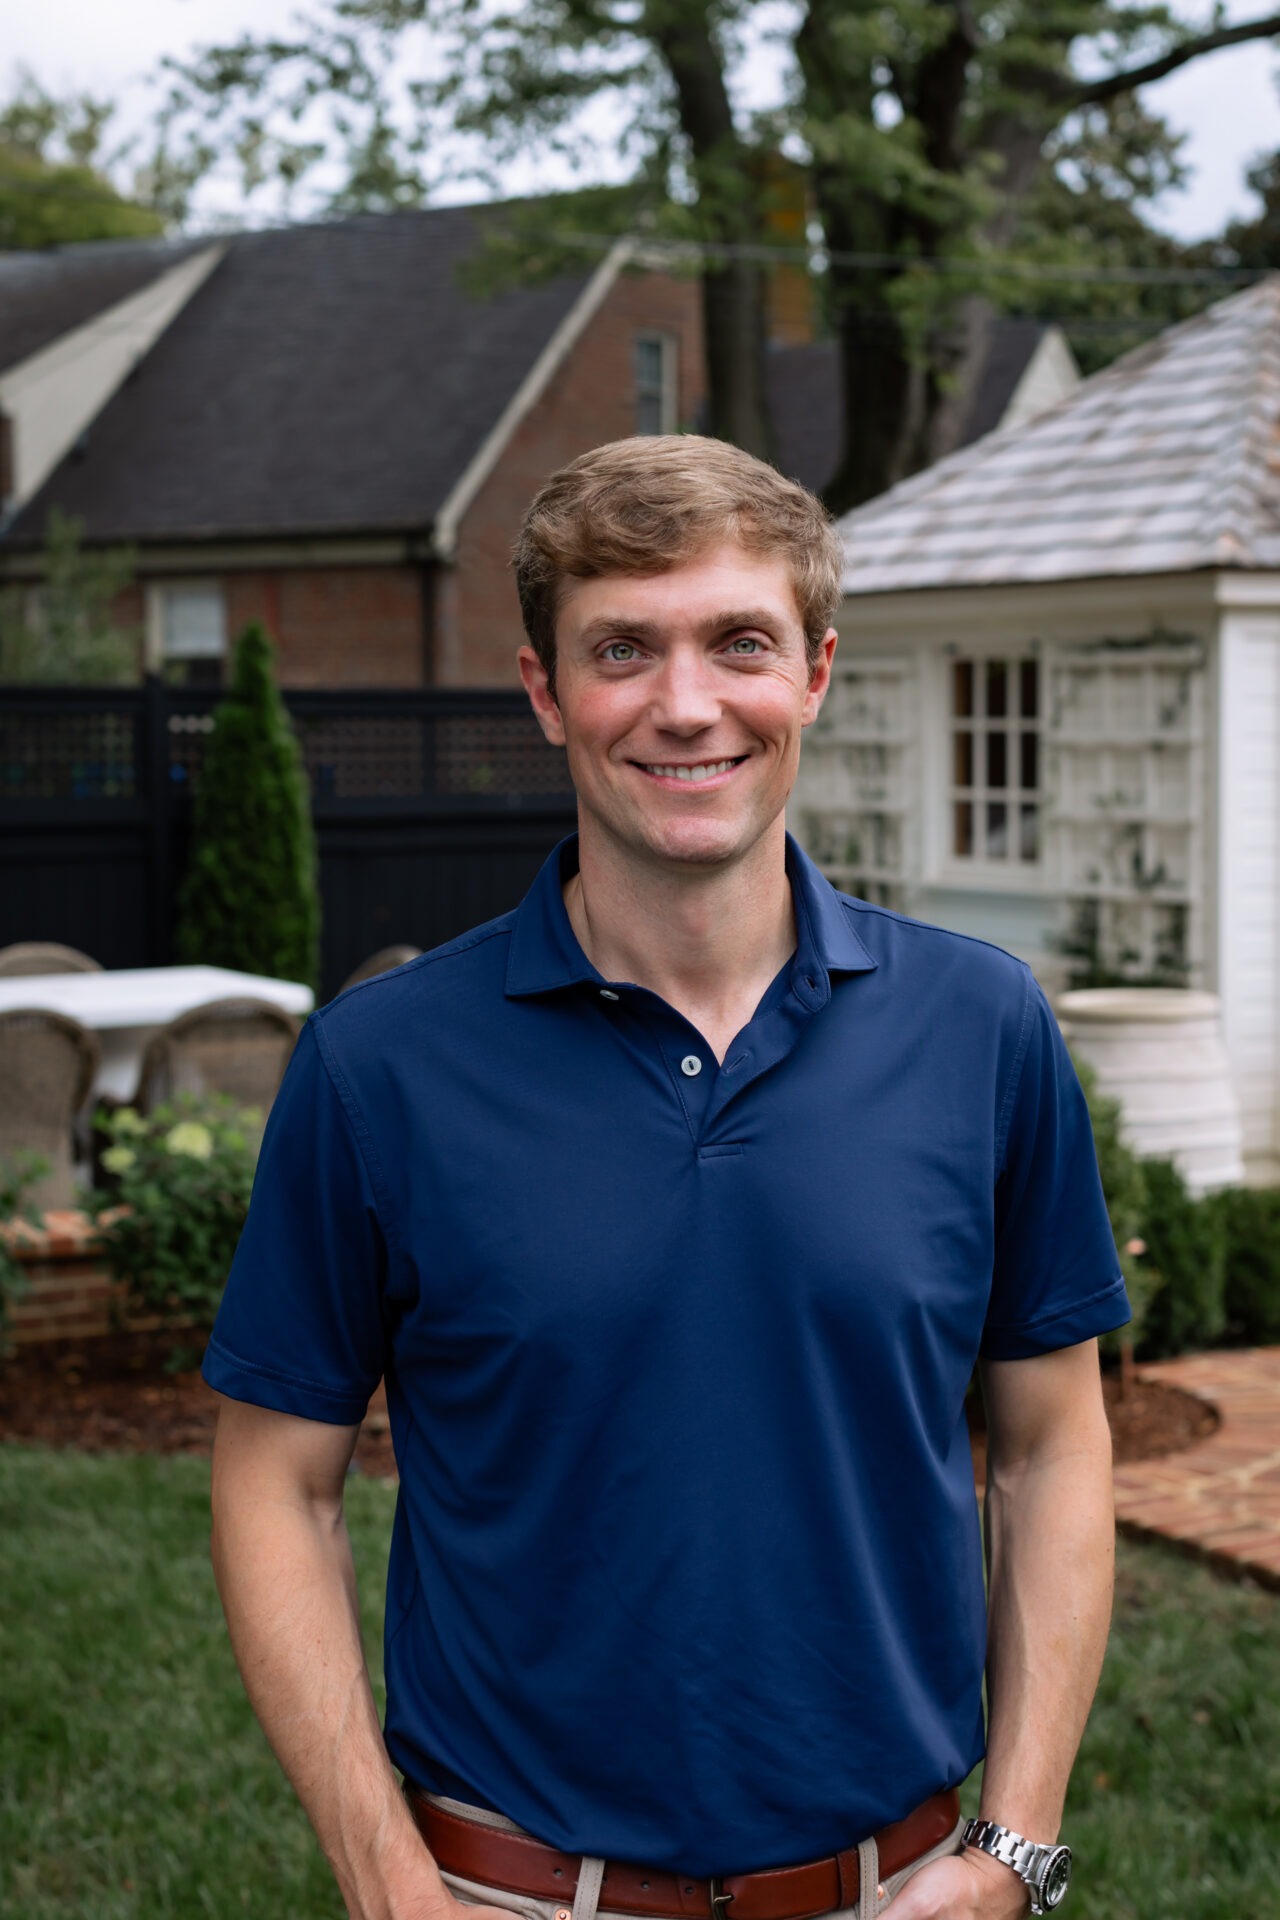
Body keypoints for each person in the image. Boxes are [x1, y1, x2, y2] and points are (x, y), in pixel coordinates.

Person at [203, 435, 1128, 1920]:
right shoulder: (379, 1068)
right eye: (622, 648)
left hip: (899, 1892)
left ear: (816, 671)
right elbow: (274, 1479)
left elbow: (1049, 1447)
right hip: (506, 1889)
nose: (685, 704)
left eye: (739, 642)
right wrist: (385, 1880)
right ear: (543, 689)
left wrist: (1015, 1847)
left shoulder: (983, 1029)